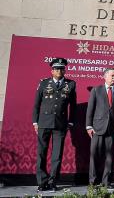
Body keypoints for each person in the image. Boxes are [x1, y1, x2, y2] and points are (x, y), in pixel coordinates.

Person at [32, 58, 77, 192]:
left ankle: (53, 181)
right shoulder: (44, 83)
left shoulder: (71, 84)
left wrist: (70, 121)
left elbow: (73, 106)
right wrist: (35, 122)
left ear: (65, 70)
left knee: (57, 154)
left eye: (62, 68)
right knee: (41, 153)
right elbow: (36, 104)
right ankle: (41, 181)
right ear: (52, 70)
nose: (59, 71)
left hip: (61, 123)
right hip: (44, 123)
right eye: (56, 68)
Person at [86, 68, 114, 187]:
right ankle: (93, 181)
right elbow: (90, 109)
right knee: (94, 156)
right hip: (97, 128)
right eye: (112, 75)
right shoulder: (96, 90)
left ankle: (106, 182)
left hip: (112, 129)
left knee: (109, 156)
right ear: (105, 76)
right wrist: (89, 126)